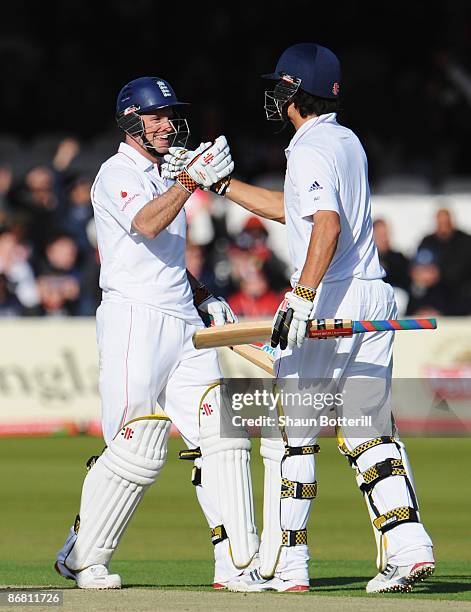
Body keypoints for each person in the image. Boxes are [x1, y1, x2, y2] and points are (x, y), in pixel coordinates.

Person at [166, 43, 435, 594]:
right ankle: (409, 548)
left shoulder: (309, 148)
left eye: (278, 87)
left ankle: (291, 567)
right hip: (371, 295)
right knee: (367, 430)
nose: (273, 96)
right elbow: (292, 209)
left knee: (297, 435)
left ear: (292, 91)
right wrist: (221, 186)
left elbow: (326, 226)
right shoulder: (344, 140)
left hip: (331, 300)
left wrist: (303, 296)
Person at [54, 76, 258, 589]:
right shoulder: (114, 173)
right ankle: (83, 556)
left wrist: (204, 293)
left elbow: (163, 258)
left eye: (171, 115)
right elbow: (145, 225)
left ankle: (237, 563)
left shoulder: (166, 175)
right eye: (156, 116)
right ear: (130, 122)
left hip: (182, 322)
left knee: (222, 431)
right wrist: (189, 184)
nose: (168, 124)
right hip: (134, 320)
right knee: (135, 444)